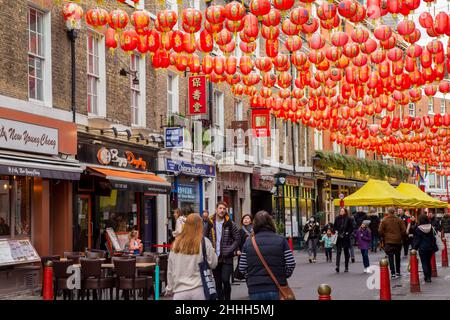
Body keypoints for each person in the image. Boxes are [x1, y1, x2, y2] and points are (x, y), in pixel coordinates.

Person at [238, 210, 296, 300]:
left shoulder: (249, 242)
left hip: (255, 288)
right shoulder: (281, 240)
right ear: (271, 223)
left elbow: (242, 267)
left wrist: (251, 277)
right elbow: (291, 263)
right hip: (277, 287)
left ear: (255, 224)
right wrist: (283, 275)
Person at [166, 214, 218, 299]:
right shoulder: (204, 242)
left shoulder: (176, 244)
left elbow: (170, 270)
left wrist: (169, 288)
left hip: (179, 291)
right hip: (199, 289)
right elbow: (213, 263)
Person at [205, 202, 240, 300]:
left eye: (224, 208)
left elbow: (237, 239)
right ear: (216, 209)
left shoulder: (230, 223)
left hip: (226, 257)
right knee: (218, 282)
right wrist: (208, 252)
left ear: (226, 210)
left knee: (225, 280)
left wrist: (229, 249)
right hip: (214, 257)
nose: (222, 210)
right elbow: (204, 238)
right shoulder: (210, 223)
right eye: (220, 208)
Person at [379, 207, 407, 279]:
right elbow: (404, 230)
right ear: (394, 212)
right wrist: (400, 235)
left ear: (388, 212)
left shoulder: (384, 220)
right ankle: (398, 271)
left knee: (390, 257)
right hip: (398, 241)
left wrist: (384, 235)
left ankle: (392, 273)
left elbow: (380, 231)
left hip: (388, 241)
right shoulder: (399, 220)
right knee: (398, 256)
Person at [412, 214, 439, 283]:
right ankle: (429, 276)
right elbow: (433, 238)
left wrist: (414, 248)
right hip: (430, 247)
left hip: (422, 248)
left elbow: (417, 240)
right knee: (428, 262)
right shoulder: (431, 227)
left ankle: (426, 277)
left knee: (424, 263)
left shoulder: (418, 228)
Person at [333, 208, 354, 273]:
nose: (341, 212)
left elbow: (351, 227)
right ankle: (337, 266)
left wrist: (348, 233)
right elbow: (334, 227)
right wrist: (335, 231)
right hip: (339, 237)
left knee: (346, 252)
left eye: (342, 211)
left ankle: (346, 267)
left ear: (345, 212)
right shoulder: (337, 218)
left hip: (345, 237)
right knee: (338, 252)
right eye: (340, 211)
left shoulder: (348, 218)